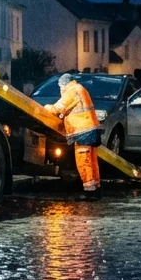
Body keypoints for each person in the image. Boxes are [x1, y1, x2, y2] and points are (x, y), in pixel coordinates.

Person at [44, 73, 101, 201]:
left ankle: (89, 193)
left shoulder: (71, 90)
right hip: (91, 129)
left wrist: (47, 107)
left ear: (63, 85)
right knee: (92, 161)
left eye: (60, 88)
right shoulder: (80, 88)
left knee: (83, 162)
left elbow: (57, 108)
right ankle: (96, 189)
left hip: (83, 131)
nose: (60, 90)